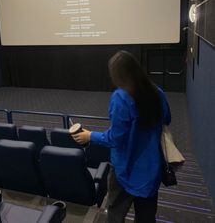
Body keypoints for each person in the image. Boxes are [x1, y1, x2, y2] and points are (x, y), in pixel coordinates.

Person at [72, 50, 171, 223]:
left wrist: (90, 136)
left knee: (115, 215)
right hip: (151, 169)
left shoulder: (121, 98)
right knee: (147, 217)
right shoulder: (157, 92)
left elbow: (115, 139)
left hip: (124, 170)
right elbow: (167, 119)